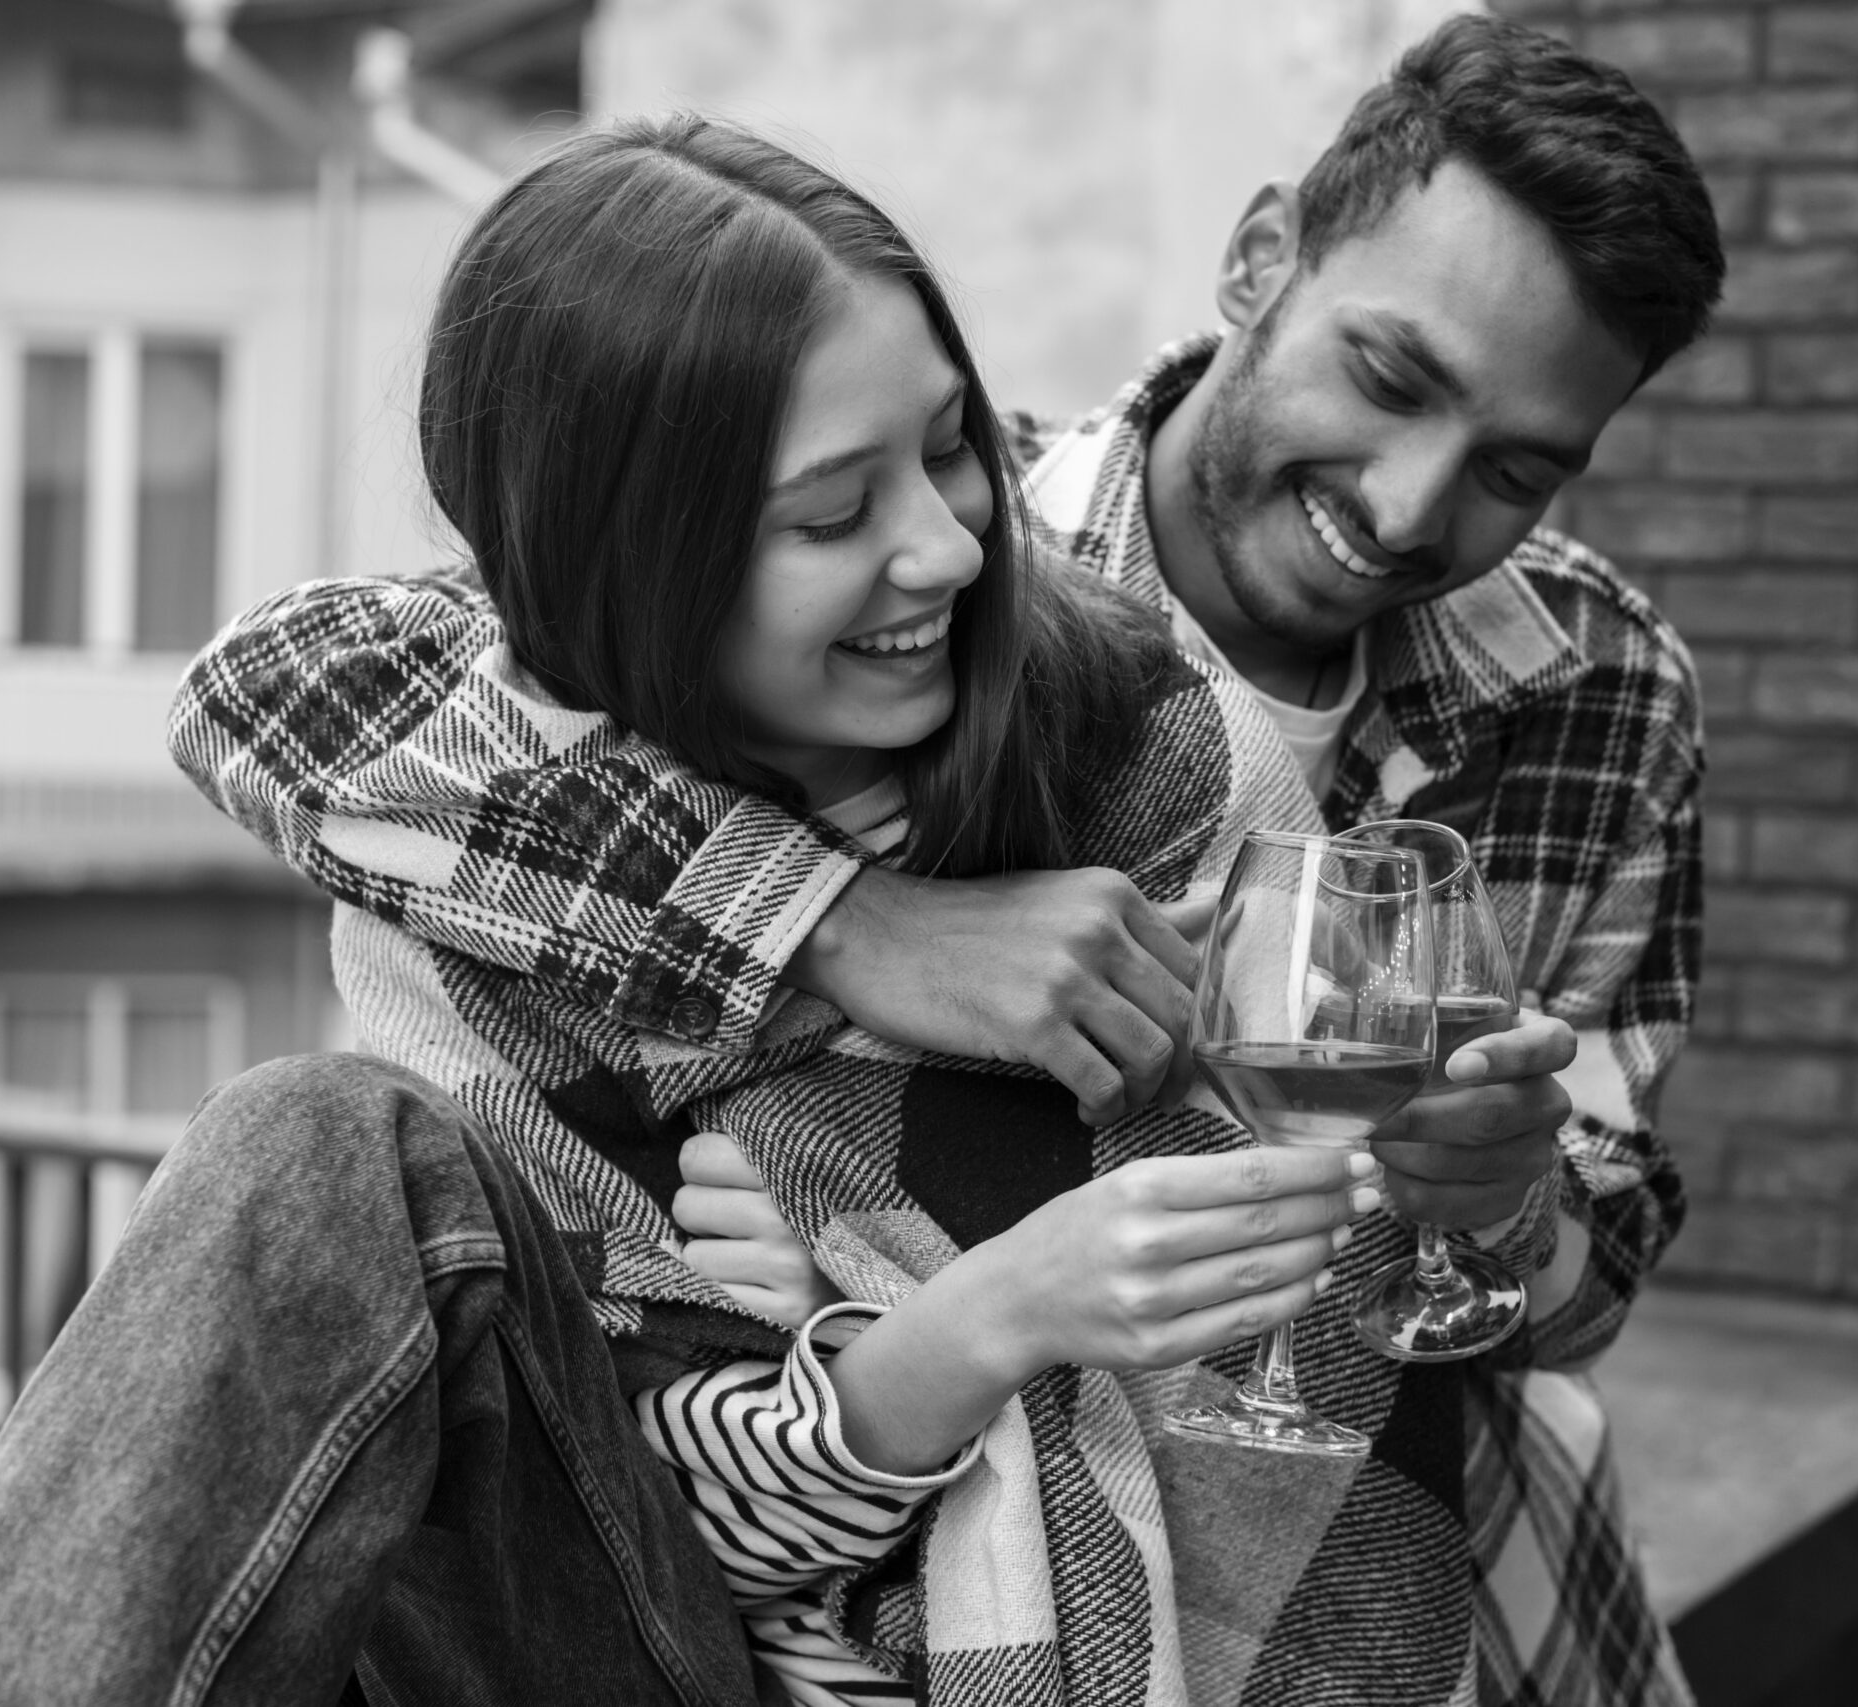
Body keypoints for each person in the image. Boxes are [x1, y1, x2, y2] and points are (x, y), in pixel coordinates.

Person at [177, 14, 1721, 1704]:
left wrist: (1493, 1204)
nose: (1417, 507)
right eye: (1391, 379)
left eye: (1514, 468)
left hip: (1429, 1572)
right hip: (895, 1574)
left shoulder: (1600, 695)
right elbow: (288, 690)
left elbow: (1581, 1278)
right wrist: (849, 927)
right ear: (1259, 258)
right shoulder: (934, 577)